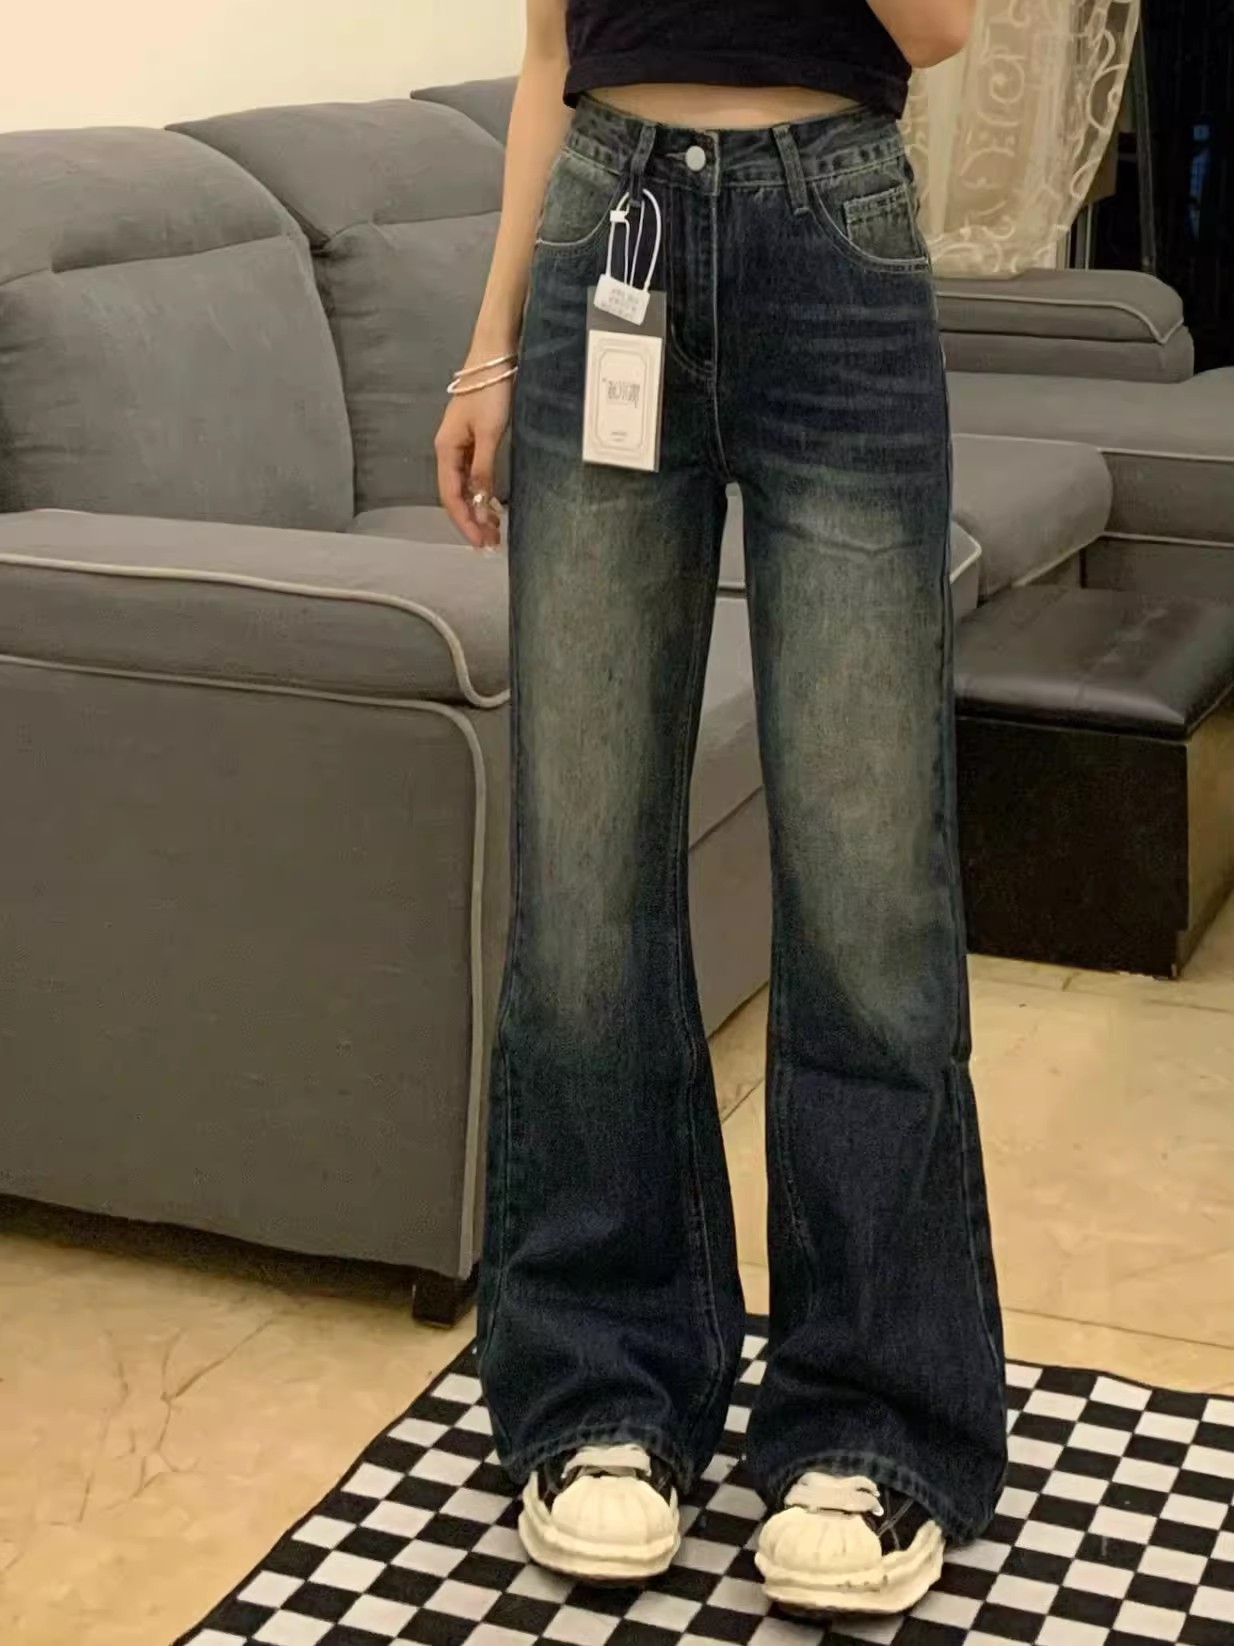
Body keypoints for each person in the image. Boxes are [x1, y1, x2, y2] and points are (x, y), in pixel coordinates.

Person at [434, 0, 1006, 1618]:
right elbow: (549, 53)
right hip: (601, 234)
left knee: (866, 882)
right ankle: (602, 1389)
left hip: (835, 235)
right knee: (583, 880)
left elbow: (939, 28)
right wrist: (490, 343)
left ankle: (872, 1413)